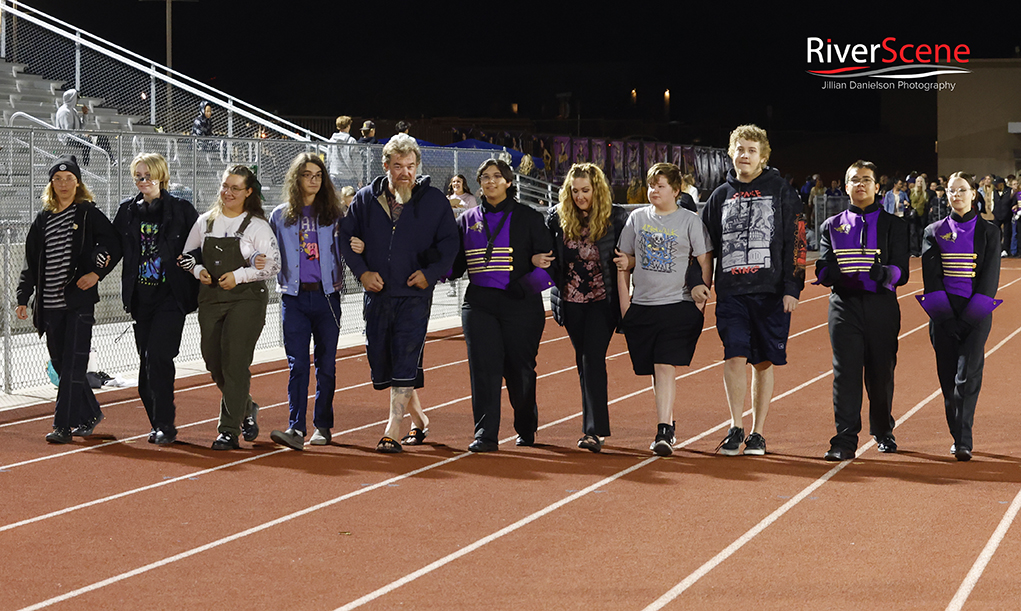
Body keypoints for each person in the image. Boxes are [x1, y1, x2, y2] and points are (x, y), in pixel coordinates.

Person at [339, 134, 459, 453]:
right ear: (386, 166)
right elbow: (345, 238)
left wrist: (430, 275)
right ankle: (420, 419)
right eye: (397, 166)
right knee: (384, 360)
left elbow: (450, 245)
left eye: (410, 166)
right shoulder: (365, 199)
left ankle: (393, 427)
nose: (404, 172)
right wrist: (362, 273)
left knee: (406, 356)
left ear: (418, 166)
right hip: (377, 296)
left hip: (414, 296)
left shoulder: (434, 201)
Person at [700, 124, 806, 456]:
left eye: (752, 150)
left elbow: (798, 240)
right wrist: (698, 284)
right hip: (731, 291)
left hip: (771, 292)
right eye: (740, 149)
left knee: (763, 362)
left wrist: (793, 286)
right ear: (731, 153)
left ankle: (758, 432)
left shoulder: (782, 191)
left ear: (763, 156)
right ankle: (735, 425)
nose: (745, 155)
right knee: (733, 355)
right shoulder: (720, 196)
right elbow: (704, 246)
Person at [16, 156, 121, 443]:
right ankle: (90, 414)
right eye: (58, 180)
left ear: (78, 183)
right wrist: (23, 297)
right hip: (49, 306)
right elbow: (30, 262)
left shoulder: (88, 214)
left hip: (78, 304)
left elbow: (113, 243)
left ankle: (63, 425)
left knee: (74, 365)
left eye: (69, 179)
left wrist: (96, 273)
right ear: (51, 184)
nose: (63, 184)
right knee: (62, 365)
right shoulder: (43, 219)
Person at [452, 158, 554, 452]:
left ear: (509, 182)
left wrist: (523, 289)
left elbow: (549, 264)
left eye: (498, 176)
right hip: (479, 304)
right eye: (485, 177)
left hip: (520, 304)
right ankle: (485, 434)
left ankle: (526, 425)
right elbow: (454, 264)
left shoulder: (530, 218)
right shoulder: (466, 220)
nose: (490, 181)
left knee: (520, 371)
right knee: (483, 370)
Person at [814, 160, 909, 461]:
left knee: (881, 373)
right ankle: (844, 439)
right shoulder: (831, 225)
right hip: (844, 307)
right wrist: (827, 272)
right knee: (846, 373)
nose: (861, 184)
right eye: (855, 180)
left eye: (867, 180)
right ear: (846, 187)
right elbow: (825, 264)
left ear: (877, 187)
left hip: (882, 306)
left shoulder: (896, 225)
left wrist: (882, 273)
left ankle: (883, 430)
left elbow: (902, 273)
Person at [615, 163, 712, 456]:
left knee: (664, 363)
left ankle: (663, 431)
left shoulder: (690, 221)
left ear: (675, 190)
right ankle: (667, 420)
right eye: (651, 185)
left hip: (678, 305)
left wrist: (701, 302)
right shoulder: (637, 218)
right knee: (655, 369)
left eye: (660, 186)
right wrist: (625, 306)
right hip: (643, 305)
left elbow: (705, 259)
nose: (653, 191)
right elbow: (625, 260)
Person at [182, 165, 280, 450]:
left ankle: (228, 430)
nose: (228, 192)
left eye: (235, 188)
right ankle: (246, 407)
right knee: (213, 361)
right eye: (225, 186)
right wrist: (197, 269)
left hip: (247, 299)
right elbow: (186, 256)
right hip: (211, 299)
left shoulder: (257, 226)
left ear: (248, 192)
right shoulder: (205, 222)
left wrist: (240, 275)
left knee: (235, 362)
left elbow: (274, 265)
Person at [112, 153, 199, 445]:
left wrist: (194, 263)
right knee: (145, 365)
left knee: (158, 357)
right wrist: (92, 270)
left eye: (148, 175)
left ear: (161, 176)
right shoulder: (127, 211)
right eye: (138, 176)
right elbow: (112, 247)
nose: (143, 181)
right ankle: (156, 423)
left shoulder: (181, 210)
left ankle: (166, 425)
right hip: (141, 299)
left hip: (171, 297)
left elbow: (201, 245)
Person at [917, 172, 1001, 462]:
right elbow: (932, 279)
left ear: (973, 194)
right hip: (943, 316)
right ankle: (957, 433)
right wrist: (947, 319)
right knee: (948, 378)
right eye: (952, 190)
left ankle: (963, 440)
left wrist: (968, 319)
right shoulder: (933, 231)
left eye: (962, 190)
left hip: (975, 315)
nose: (956, 195)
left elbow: (989, 280)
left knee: (967, 377)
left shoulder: (989, 232)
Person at [546, 163, 630, 452]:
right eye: (575, 191)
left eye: (585, 190)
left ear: (598, 190)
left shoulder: (616, 217)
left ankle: (594, 431)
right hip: (570, 303)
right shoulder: (557, 219)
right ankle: (591, 425)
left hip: (601, 302)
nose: (580, 196)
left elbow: (630, 253)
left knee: (592, 358)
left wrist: (628, 264)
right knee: (583, 362)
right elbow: (549, 255)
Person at [267, 153, 345, 451]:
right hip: (294, 298)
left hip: (327, 298)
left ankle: (322, 426)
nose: (313, 180)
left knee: (326, 365)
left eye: (318, 175)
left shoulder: (335, 215)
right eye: (306, 174)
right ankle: (295, 427)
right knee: (297, 364)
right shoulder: (279, 215)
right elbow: (266, 250)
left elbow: (349, 248)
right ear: (295, 178)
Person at [55, 89, 90, 166]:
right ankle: (86, 166)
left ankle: (111, 159)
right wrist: (83, 136)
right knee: (88, 142)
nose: (78, 99)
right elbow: (68, 132)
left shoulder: (73, 110)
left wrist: (85, 114)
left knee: (101, 137)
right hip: (67, 139)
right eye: (77, 97)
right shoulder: (64, 111)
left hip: (74, 136)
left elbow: (82, 126)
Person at [327, 115, 358, 189]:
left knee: (337, 199)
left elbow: (329, 158)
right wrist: (359, 178)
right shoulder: (351, 141)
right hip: (349, 176)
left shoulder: (332, 140)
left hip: (334, 174)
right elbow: (356, 161)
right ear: (348, 126)